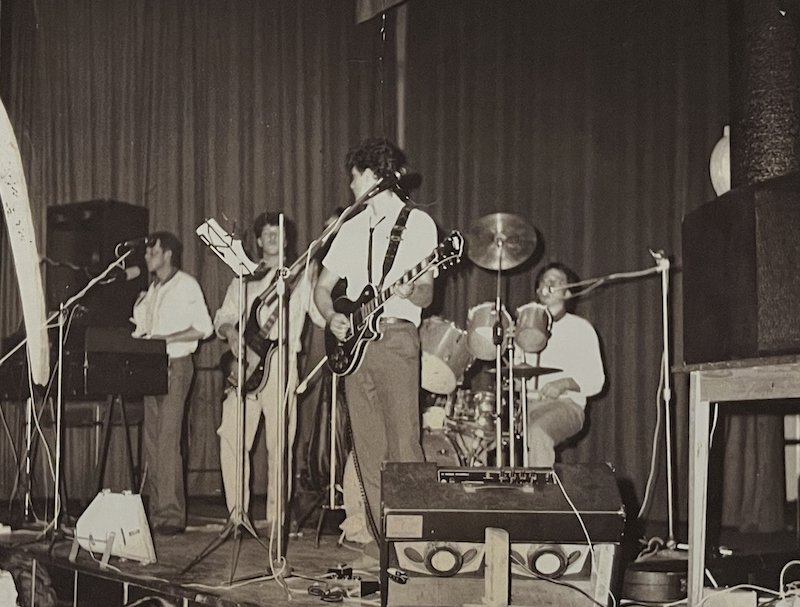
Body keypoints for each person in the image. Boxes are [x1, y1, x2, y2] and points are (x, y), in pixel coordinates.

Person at [314, 138, 438, 556]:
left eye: (354, 178)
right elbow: (322, 288)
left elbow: (426, 293)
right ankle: (383, 546)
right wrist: (330, 316)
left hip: (396, 338)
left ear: (370, 175)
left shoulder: (417, 223)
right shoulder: (351, 227)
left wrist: (410, 289)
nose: (351, 187)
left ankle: (417, 548)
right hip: (355, 347)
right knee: (367, 449)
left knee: (404, 444)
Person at [215, 211, 323, 529]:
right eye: (267, 233)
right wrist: (230, 333)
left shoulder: (302, 274)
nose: (273, 237)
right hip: (246, 364)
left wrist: (321, 283)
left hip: (281, 362)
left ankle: (277, 521)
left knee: (279, 445)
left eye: (279, 232)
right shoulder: (244, 278)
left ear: (287, 240)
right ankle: (237, 516)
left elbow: (319, 315)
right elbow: (223, 317)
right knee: (232, 437)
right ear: (259, 241)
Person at [131, 231, 214, 535]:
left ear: (167, 254)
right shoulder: (154, 288)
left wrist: (164, 340)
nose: (146, 257)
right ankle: (157, 513)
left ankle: (171, 515)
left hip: (176, 366)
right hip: (152, 367)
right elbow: (143, 328)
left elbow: (204, 328)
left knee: (167, 440)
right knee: (153, 442)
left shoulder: (186, 284)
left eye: (152, 252)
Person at [515, 262, 605, 467]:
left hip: (566, 406)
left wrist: (563, 383)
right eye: (545, 281)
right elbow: (515, 371)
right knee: (477, 434)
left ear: (567, 292)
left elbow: (596, 381)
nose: (549, 284)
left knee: (537, 432)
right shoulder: (522, 328)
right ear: (538, 290)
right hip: (525, 406)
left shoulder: (581, 328)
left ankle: (539, 488)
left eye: (557, 281)